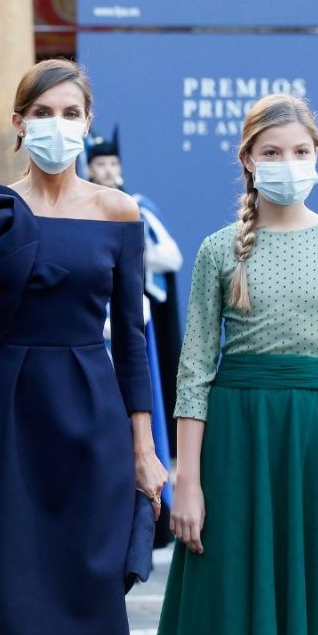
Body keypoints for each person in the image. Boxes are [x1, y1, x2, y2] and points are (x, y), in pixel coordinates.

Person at [0, 59, 168, 635]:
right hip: (11, 413)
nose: (56, 125)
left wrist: (143, 451)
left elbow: (130, 340)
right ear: (18, 123)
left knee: (92, 585)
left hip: (94, 412)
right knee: (16, 590)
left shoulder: (118, 212)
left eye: (70, 113)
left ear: (88, 123)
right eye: (42, 113)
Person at [156, 94, 318, 635]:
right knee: (234, 594)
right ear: (249, 159)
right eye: (274, 151)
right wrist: (187, 482)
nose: (289, 161)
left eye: (300, 150)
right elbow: (193, 372)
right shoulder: (218, 251)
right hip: (236, 444)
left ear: (317, 156)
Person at [87, 129, 179, 545]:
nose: (106, 170)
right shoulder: (80, 206)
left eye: (112, 165)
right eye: (100, 164)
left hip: (124, 326)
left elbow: (171, 256)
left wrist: (133, 254)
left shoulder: (136, 209)